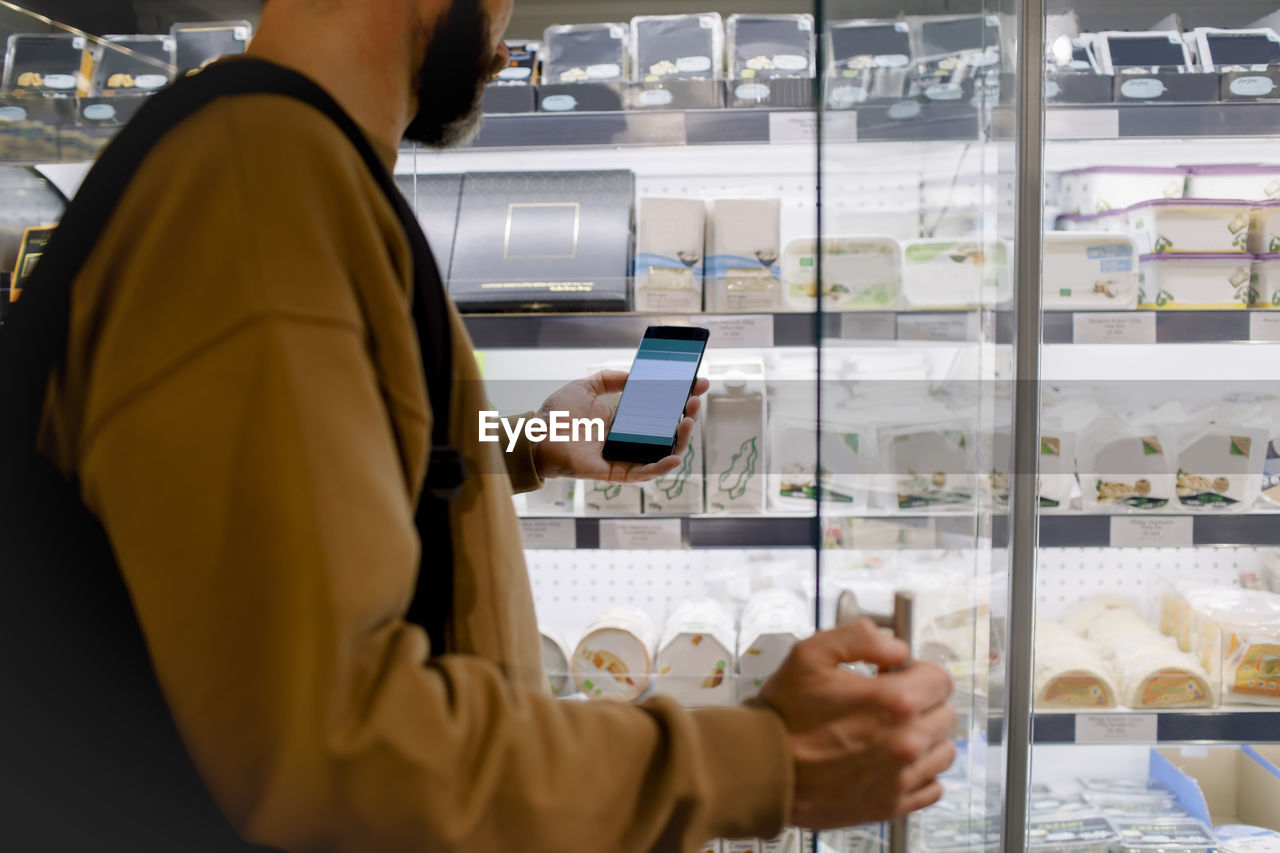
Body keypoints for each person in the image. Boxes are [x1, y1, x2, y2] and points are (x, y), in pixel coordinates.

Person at [18, 0, 957, 849]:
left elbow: (311, 490)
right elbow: (340, 753)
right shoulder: (254, 181)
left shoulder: (280, 161)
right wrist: (767, 759)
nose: (508, 37)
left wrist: (525, 444)